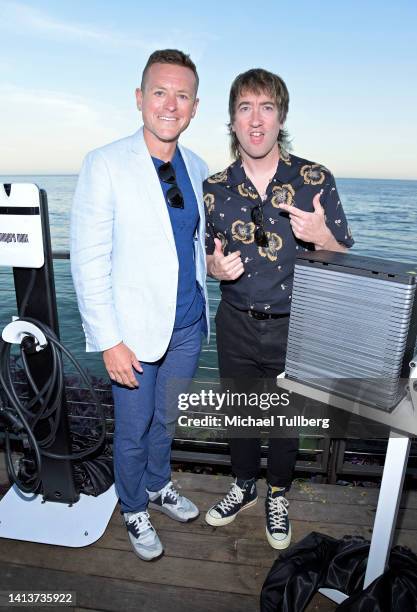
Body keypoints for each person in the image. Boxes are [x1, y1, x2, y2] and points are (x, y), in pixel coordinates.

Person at [203, 68, 353, 550]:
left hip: (298, 324)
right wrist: (213, 266)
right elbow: (207, 256)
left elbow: (344, 253)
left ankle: (278, 493)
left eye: (266, 107)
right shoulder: (214, 186)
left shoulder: (314, 178)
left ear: (280, 117)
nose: (255, 119)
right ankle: (244, 485)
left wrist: (322, 238)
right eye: (245, 108)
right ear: (232, 120)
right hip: (236, 322)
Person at [71, 49, 209, 561]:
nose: (170, 104)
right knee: (133, 429)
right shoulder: (104, 163)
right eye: (160, 92)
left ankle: (157, 485)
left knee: (166, 419)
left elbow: (195, 245)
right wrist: (108, 339)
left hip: (189, 325)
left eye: (182, 95)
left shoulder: (197, 166)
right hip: (132, 331)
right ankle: (132, 505)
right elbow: (87, 260)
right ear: (139, 99)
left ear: (195, 107)